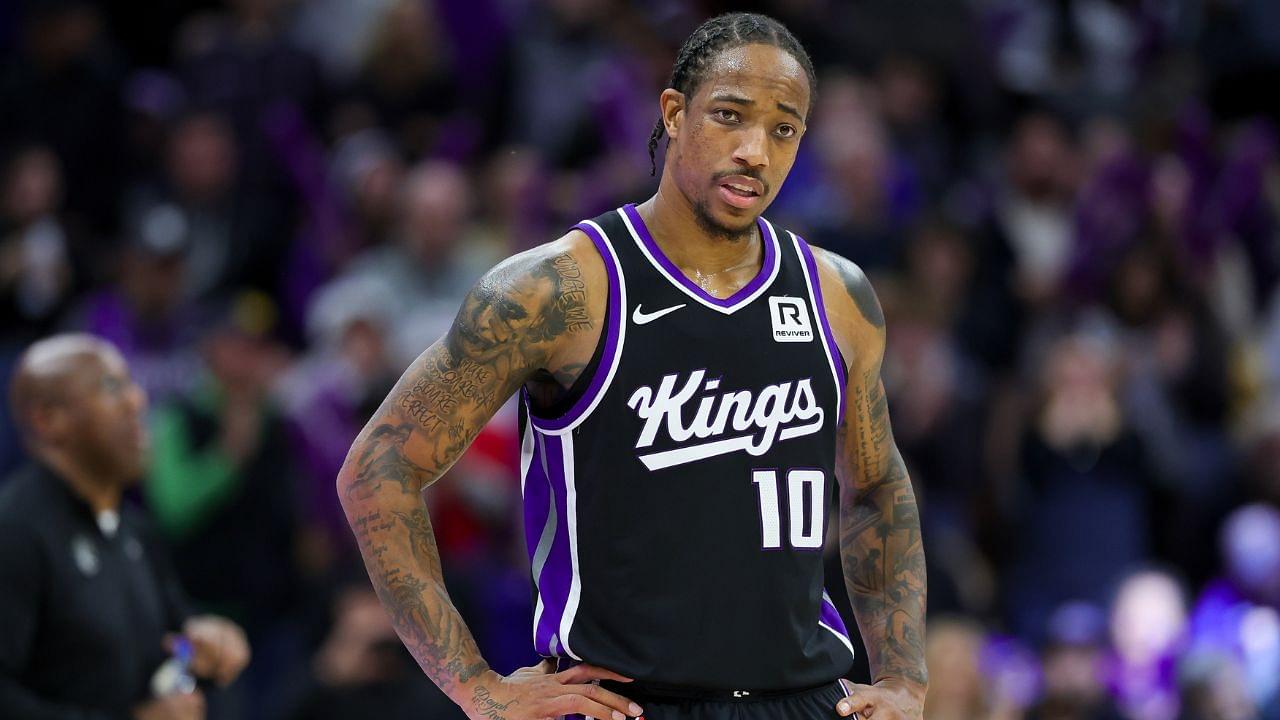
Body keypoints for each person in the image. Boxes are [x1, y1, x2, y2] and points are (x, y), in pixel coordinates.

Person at [337, 12, 928, 720]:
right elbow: (377, 471)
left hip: (802, 699)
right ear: (674, 113)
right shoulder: (560, 290)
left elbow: (877, 486)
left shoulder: (837, 295)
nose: (754, 151)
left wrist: (903, 679)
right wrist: (475, 685)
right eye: (730, 116)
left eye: (783, 129)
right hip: (628, 704)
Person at [0, 334, 250, 719]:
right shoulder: (15, 531)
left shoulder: (133, 530)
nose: (137, 400)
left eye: (132, 385)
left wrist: (209, 640)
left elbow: (174, 635)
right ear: (47, 419)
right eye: (110, 387)